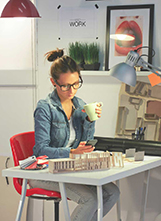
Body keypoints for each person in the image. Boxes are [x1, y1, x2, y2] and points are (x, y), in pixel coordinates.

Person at [29, 48, 120, 221]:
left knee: (112, 192)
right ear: (53, 82)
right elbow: (41, 150)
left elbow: (85, 143)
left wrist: (89, 120)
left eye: (76, 83)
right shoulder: (45, 108)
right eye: (65, 86)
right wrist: (70, 153)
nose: (71, 90)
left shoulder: (79, 104)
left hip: (69, 169)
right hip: (45, 171)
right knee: (90, 199)